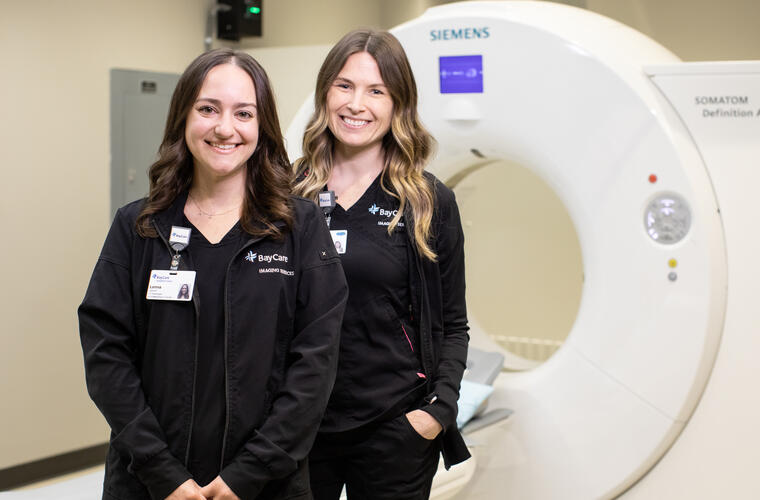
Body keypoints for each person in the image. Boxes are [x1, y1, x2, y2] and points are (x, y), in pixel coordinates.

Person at [79, 48, 347, 500]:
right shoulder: (139, 226)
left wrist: (251, 472)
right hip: (150, 481)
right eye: (208, 109)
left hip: (266, 483)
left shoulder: (299, 228)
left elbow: (315, 363)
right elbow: (107, 356)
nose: (225, 128)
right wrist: (163, 473)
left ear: (262, 128)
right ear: (183, 117)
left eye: (244, 113)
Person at [292, 29, 470, 500]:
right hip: (299, 427)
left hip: (395, 427)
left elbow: (453, 324)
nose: (357, 104)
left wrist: (436, 413)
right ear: (325, 92)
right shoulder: (289, 193)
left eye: (377, 91)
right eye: (345, 86)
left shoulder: (426, 201)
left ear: (398, 105)